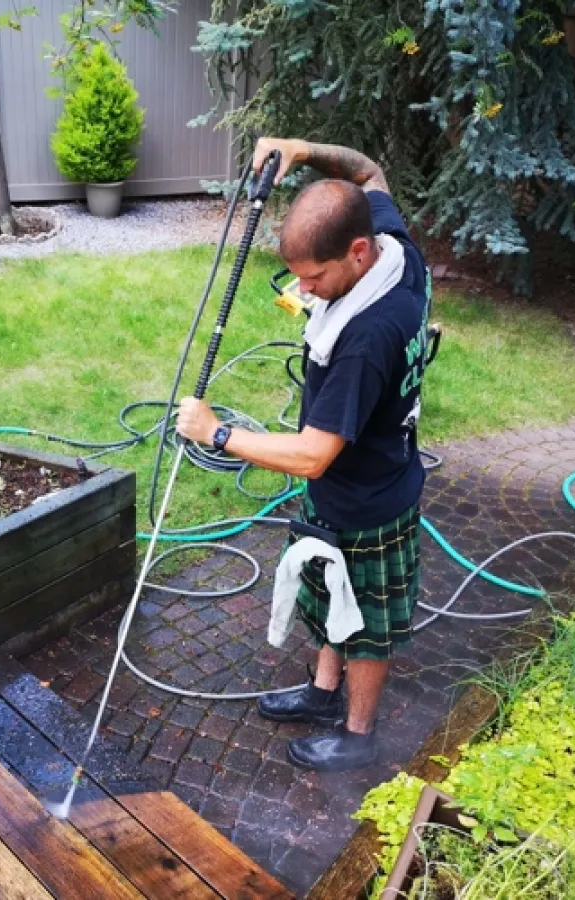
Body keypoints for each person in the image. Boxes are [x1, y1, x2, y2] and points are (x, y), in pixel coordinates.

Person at [176, 136, 429, 771]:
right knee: (326, 586)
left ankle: (359, 734)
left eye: (314, 277)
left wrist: (218, 433)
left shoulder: (367, 336)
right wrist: (304, 150)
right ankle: (322, 694)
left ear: (357, 252)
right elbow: (370, 168)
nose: (304, 290)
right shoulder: (397, 251)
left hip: (370, 497)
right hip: (347, 486)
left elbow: (314, 455)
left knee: (367, 622)